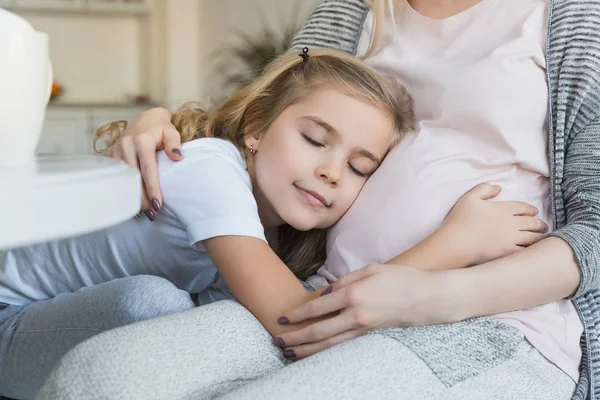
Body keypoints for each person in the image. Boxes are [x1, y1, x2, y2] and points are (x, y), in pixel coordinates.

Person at [37, 0, 600, 399]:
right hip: (315, 297)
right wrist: (160, 121)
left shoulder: (571, 17)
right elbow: (266, 115)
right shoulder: (355, 11)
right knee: (97, 378)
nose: (334, 173)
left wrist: (442, 289)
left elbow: (595, 232)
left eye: (362, 168)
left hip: (491, 314)